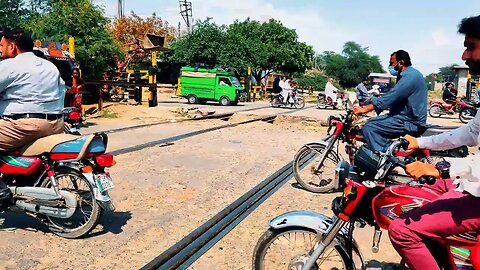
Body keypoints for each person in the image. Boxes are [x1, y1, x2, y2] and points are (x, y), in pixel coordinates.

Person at [387, 15, 480, 270]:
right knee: (422, 195)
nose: (463, 55)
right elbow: (469, 133)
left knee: (400, 230)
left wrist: (443, 168)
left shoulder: (408, 77)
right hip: (473, 184)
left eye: (470, 46)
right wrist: (419, 143)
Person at [0, 29, 65, 208]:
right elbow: (61, 91)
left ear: (12, 46)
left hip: (25, 125)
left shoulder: (9, 66)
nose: (1, 50)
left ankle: (1, 191)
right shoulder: (49, 66)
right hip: (56, 123)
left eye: (2, 45)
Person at [352, 50, 427, 152]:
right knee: (369, 122)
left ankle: (384, 158)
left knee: (370, 127)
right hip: (403, 117)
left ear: (401, 63)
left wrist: (364, 109)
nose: (390, 66)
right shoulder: (409, 74)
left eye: (391, 63)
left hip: (410, 121)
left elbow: (391, 97)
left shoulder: (409, 77)